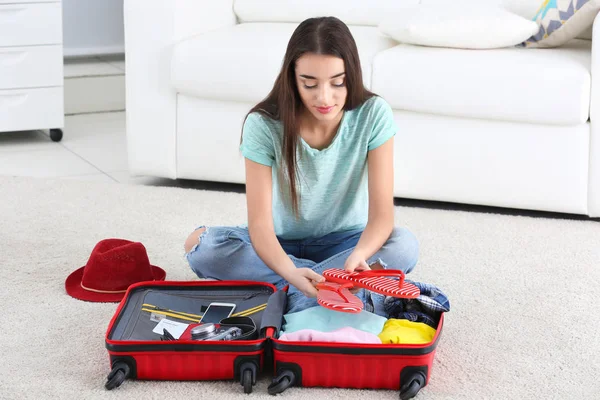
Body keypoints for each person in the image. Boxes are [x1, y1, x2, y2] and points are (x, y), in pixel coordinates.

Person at [184, 16, 419, 315]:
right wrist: (291, 271)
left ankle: (288, 295)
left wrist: (359, 254)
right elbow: (259, 225)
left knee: (404, 245)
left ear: (352, 76)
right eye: (309, 84)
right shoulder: (264, 124)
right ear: (292, 78)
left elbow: (382, 218)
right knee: (201, 246)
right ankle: (330, 289)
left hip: (347, 245)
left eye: (337, 83)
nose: (324, 98)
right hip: (280, 246)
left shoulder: (373, 114)